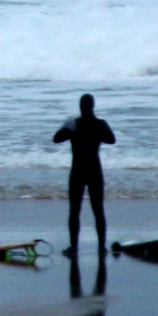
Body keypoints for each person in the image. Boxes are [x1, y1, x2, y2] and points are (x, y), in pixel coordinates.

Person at [53, 92, 115, 255]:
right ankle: (102, 247)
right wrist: (97, 133)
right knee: (98, 210)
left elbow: (56, 138)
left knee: (74, 210)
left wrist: (71, 133)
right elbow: (111, 139)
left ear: (81, 106)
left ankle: (74, 246)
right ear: (93, 106)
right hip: (94, 169)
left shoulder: (73, 123)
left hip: (78, 170)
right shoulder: (100, 124)